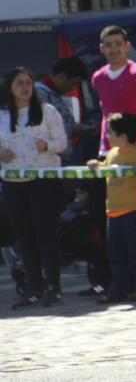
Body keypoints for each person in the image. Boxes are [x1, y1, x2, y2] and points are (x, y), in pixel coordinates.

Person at [0, 67, 67, 309]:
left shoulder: (47, 111)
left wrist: (46, 145)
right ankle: (34, 288)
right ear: (10, 88)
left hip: (44, 181)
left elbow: (62, 143)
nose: (26, 87)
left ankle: (54, 287)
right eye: (20, 83)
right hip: (13, 184)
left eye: (29, 82)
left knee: (45, 235)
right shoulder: (2, 115)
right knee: (25, 238)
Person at [86, 112, 136, 304]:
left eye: (110, 133)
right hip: (113, 212)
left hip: (134, 211)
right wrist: (96, 164)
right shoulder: (112, 154)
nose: (107, 136)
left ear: (123, 136)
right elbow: (104, 167)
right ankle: (118, 288)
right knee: (116, 254)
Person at [34, 55, 90, 164]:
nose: (74, 88)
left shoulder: (59, 95)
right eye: (73, 82)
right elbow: (43, 129)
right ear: (62, 76)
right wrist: (74, 129)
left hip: (63, 157)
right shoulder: (39, 94)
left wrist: (86, 129)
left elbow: (66, 123)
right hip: (48, 159)